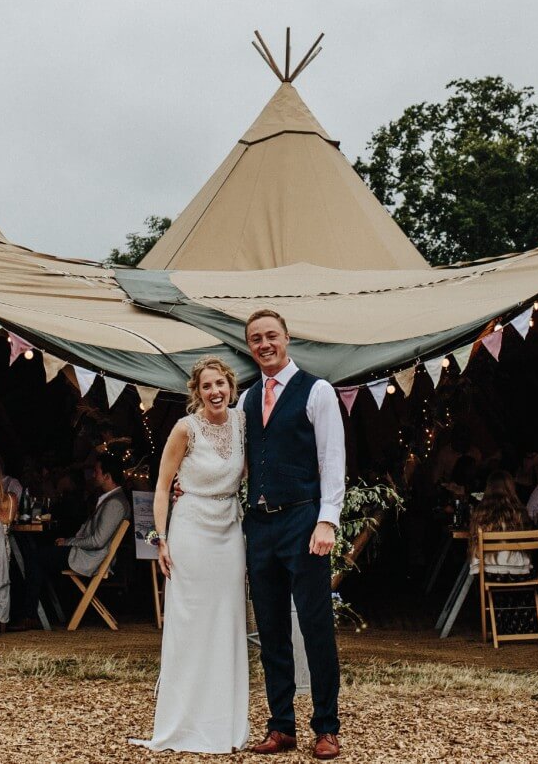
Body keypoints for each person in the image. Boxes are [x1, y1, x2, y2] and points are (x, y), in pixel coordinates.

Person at [238, 309, 344, 759]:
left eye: (271, 336)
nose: (264, 344)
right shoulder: (245, 398)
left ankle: (326, 726)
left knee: (317, 625)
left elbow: (332, 457)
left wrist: (328, 519)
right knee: (271, 628)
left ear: (287, 339)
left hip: (303, 520)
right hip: (260, 525)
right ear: (250, 346)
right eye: (256, 339)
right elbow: (241, 462)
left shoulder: (316, 391)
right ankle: (282, 726)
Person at [136, 357, 250, 753]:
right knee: (189, 624)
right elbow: (163, 487)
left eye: (220, 384)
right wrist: (161, 539)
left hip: (229, 530)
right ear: (197, 392)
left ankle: (225, 722)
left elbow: (253, 473)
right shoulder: (184, 429)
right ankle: (182, 722)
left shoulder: (243, 423)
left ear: (230, 387)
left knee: (228, 621)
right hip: (190, 530)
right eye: (207, 386)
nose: (215, 391)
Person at [14, 452, 132, 631]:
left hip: (90, 558)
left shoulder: (115, 503)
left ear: (107, 476)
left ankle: (29, 615)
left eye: (97, 471)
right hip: (87, 553)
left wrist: (69, 542)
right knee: (42, 554)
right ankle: (38, 612)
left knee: (36, 557)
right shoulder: (111, 499)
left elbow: (98, 541)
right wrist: (68, 541)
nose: (93, 475)